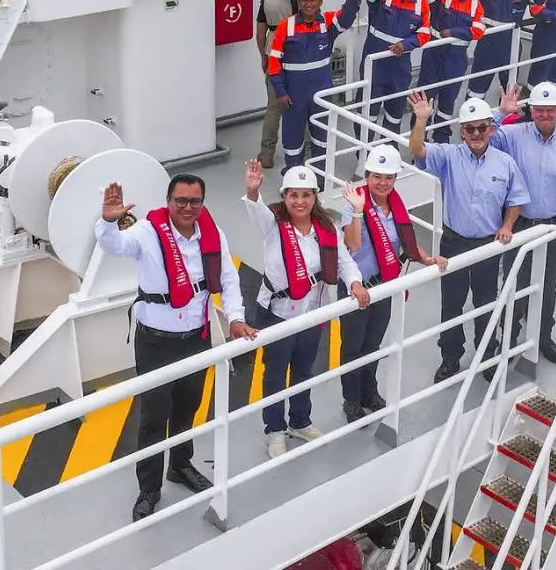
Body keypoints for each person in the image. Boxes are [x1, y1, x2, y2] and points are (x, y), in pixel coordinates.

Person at [97, 174, 259, 522]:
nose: (187, 208)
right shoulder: (147, 233)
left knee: (188, 407)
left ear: (203, 203)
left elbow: (228, 279)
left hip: (196, 338)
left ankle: (180, 466)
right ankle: (149, 489)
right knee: (154, 418)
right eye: (180, 201)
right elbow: (115, 246)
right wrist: (109, 222)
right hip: (156, 341)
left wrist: (234, 319)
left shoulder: (212, 236)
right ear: (168, 201)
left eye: (194, 202)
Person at [242, 160, 368, 458]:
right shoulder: (273, 224)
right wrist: (252, 190)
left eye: (306, 195)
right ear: (284, 197)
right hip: (277, 313)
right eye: (293, 195)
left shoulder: (327, 228)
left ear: (315, 197)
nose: (299, 201)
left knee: (303, 368)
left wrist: (355, 283)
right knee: (274, 373)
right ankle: (274, 429)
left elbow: (344, 261)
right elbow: (255, 209)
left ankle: (300, 420)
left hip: (313, 311)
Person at [408, 90, 527, 381]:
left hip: (488, 245)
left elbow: (516, 201)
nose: (476, 133)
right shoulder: (448, 157)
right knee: (451, 304)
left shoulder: (505, 163)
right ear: (462, 132)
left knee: (487, 302)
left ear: (491, 129)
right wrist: (421, 120)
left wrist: (507, 225)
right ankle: (450, 358)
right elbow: (417, 150)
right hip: (454, 243)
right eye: (470, 129)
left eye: (482, 128)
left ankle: (487, 355)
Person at [338, 144, 446, 422]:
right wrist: (359, 212)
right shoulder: (354, 203)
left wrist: (429, 259)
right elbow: (351, 244)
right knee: (353, 348)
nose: (383, 183)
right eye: (377, 176)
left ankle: (368, 392)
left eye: (388, 177)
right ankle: (351, 400)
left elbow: (405, 244)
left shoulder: (397, 205)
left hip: (386, 286)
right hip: (357, 287)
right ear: (368, 176)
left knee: (373, 344)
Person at [492, 81, 556, 363]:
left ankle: (543, 337)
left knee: (548, 285)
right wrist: (501, 112)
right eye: (539, 110)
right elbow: (484, 136)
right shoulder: (513, 136)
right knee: (514, 283)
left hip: (555, 226)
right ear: (530, 111)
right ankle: (508, 341)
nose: (545, 115)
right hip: (519, 225)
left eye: (550, 110)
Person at [267, 0, 366, 169]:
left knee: (322, 140)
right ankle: (293, 182)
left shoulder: (327, 24)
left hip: (321, 96)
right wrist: (281, 92)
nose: (309, 4)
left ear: (320, 1)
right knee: (292, 141)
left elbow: (346, 18)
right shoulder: (286, 27)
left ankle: (319, 182)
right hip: (293, 98)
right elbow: (274, 63)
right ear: (298, 1)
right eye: (304, 0)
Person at [362, 0, 433, 134]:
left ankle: (390, 151)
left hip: (400, 69)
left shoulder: (421, 5)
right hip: (374, 66)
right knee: (367, 115)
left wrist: (406, 45)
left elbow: (425, 32)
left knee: (394, 115)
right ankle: (364, 157)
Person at [418, 0, 488, 138]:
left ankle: (441, 141)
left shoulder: (476, 5)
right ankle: (420, 143)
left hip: (456, 61)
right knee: (425, 100)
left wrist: (453, 32)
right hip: (434, 56)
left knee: (448, 104)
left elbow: (479, 31)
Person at [257, 0, 313, 169]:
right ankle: (307, 149)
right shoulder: (305, 1)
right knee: (304, 106)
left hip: (273, 56)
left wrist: (264, 56)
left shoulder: (268, 1)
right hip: (298, 59)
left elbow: (260, 32)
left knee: (273, 108)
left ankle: (266, 154)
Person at [470, 0, 534, 99]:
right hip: (487, 47)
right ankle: (473, 120)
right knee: (476, 92)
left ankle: (506, 121)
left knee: (509, 92)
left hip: (511, 47)